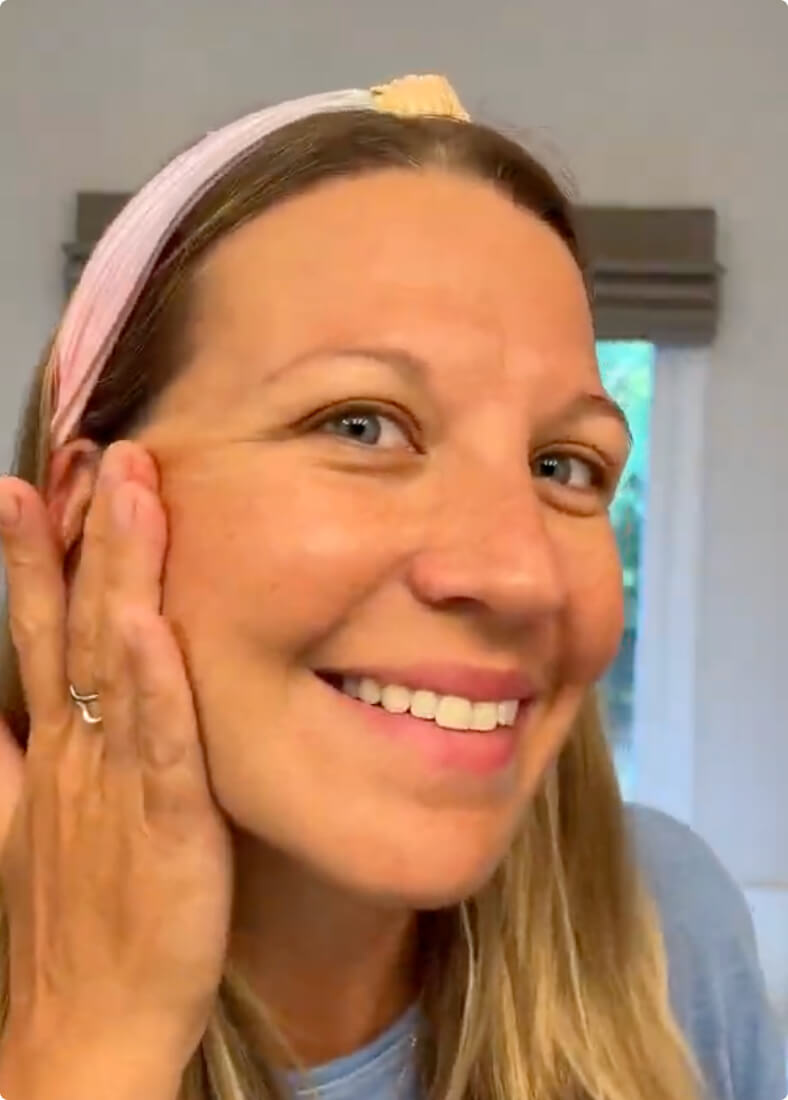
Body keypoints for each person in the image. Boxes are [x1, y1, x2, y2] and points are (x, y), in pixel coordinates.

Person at [0, 74, 782, 1100]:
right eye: (359, 424)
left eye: (563, 464)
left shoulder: (667, 921)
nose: (517, 571)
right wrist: (88, 1050)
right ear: (87, 512)